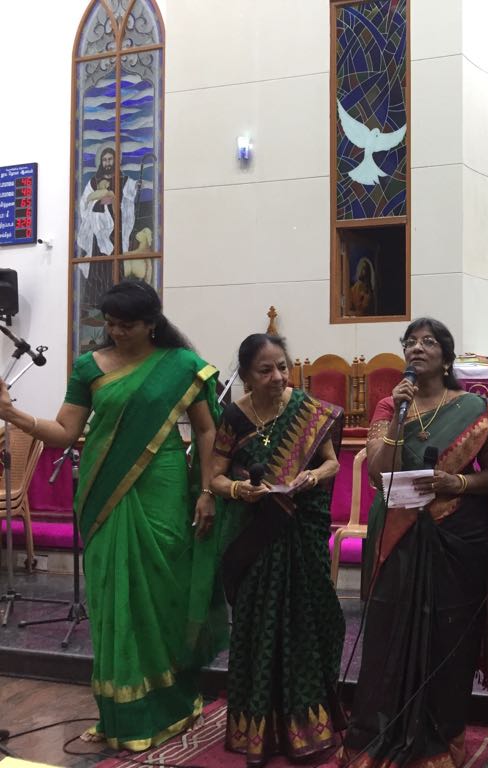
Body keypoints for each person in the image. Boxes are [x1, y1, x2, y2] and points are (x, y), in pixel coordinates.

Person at [0, 280, 226, 750]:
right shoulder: (89, 366)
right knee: (110, 597)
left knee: (162, 590)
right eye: (110, 323)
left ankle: (171, 704)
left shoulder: (181, 365)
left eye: (127, 325)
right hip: (104, 490)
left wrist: (207, 491)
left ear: (151, 323)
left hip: (163, 486)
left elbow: (207, 432)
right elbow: (65, 432)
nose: (117, 332)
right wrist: (14, 415)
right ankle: (121, 713)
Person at [341, 318, 488, 768]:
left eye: (429, 342)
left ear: (447, 357)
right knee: (388, 636)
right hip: (397, 532)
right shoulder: (390, 406)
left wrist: (459, 483)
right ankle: (383, 733)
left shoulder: (475, 409)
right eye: (411, 342)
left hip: (459, 538)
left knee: (448, 637)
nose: (417, 348)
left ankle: (439, 740)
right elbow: (379, 472)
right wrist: (397, 421)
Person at [209, 334, 346, 766]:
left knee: (308, 620)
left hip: (301, 530)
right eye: (265, 370)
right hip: (257, 535)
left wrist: (312, 477)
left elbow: (332, 462)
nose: (278, 376)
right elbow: (215, 476)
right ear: (246, 376)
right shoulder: (234, 416)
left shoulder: (306, 409)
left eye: (283, 367)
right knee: (257, 624)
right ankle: (258, 732)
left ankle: (309, 727)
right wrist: (239, 490)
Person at [76, 146, 138, 257]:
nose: (107, 163)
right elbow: (84, 202)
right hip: (98, 227)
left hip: (117, 226)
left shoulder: (123, 180)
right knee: (99, 256)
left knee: (116, 255)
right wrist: (100, 199)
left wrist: (136, 185)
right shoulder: (93, 182)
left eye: (110, 159)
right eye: (104, 160)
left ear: (115, 160)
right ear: (101, 162)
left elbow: (131, 191)